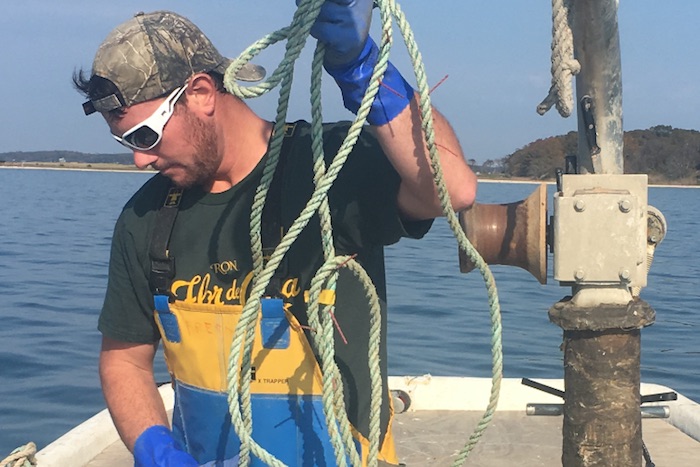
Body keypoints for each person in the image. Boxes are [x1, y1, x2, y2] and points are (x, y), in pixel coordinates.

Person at [74, 2, 476, 466]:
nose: (139, 160)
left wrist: (359, 67)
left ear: (202, 93)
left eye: (144, 137)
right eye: (126, 143)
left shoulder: (329, 167)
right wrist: (157, 451)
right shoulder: (145, 217)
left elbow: (453, 188)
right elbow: (124, 359)